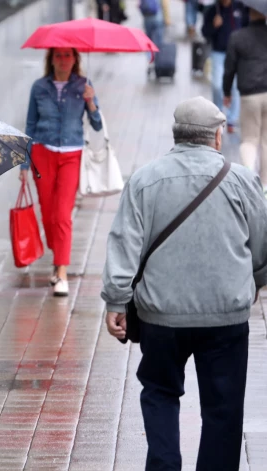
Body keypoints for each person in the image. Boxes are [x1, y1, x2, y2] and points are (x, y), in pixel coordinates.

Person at [102, 96, 267, 470]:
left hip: (162, 315)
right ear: (218, 136)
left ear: (175, 135)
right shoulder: (242, 179)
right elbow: (262, 244)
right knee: (223, 410)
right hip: (226, 316)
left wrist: (116, 301)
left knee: (160, 393)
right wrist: (252, 282)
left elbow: (124, 243)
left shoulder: (145, 179)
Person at [20, 48, 102, 297]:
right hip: (42, 154)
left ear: (75, 59)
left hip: (71, 155)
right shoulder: (39, 87)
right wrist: (25, 164)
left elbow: (97, 125)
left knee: (62, 213)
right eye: (58, 55)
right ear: (51, 59)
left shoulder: (84, 86)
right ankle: (58, 257)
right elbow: (30, 125)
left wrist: (91, 101)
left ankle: (62, 271)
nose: (63, 60)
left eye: (68, 56)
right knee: (47, 214)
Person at [223, 7, 267, 190]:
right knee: (266, 140)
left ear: (250, 13)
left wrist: (227, 92)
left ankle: (249, 181)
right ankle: (265, 185)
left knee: (249, 139)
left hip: (249, 95)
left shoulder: (238, 37)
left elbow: (229, 68)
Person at [201, 0, 243, 132]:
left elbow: (247, 26)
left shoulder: (240, 7)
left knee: (235, 87)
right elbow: (205, 32)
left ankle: (232, 119)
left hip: (237, 53)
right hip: (218, 52)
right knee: (217, 85)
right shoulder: (212, 10)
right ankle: (218, 116)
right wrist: (214, 26)